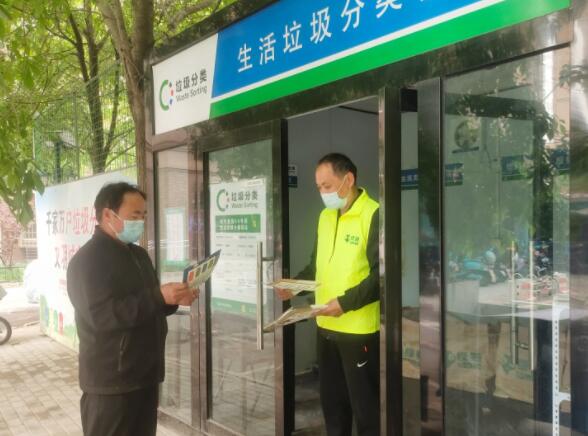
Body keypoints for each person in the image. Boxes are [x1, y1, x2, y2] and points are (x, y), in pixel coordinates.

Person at [67, 182, 196, 436]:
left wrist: (173, 299)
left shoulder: (139, 255)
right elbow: (102, 317)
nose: (141, 222)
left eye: (143, 215)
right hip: (111, 384)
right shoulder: (87, 261)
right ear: (108, 215)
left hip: (144, 376)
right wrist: (158, 296)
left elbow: (149, 305)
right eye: (135, 215)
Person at [277, 153, 380, 436]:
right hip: (325, 324)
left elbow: (381, 276)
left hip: (358, 331)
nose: (323, 192)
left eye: (327, 185)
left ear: (349, 179)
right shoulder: (325, 217)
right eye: (319, 187)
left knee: (366, 409)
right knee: (333, 406)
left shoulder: (373, 214)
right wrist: (295, 285)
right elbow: (318, 266)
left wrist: (344, 304)